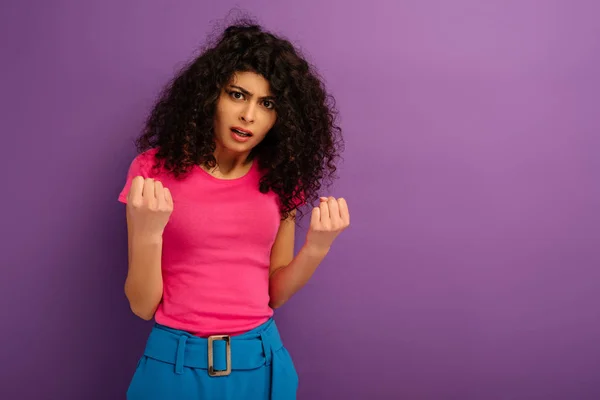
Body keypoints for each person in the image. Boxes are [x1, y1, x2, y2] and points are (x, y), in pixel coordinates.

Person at [117, 18, 349, 400]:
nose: (249, 116)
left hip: (260, 364)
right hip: (173, 366)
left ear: (282, 117)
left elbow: (273, 294)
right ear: (210, 96)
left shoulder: (280, 177)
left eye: (267, 103)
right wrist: (148, 232)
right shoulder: (152, 171)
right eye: (238, 95)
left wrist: (317, 248)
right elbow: (142, 306)